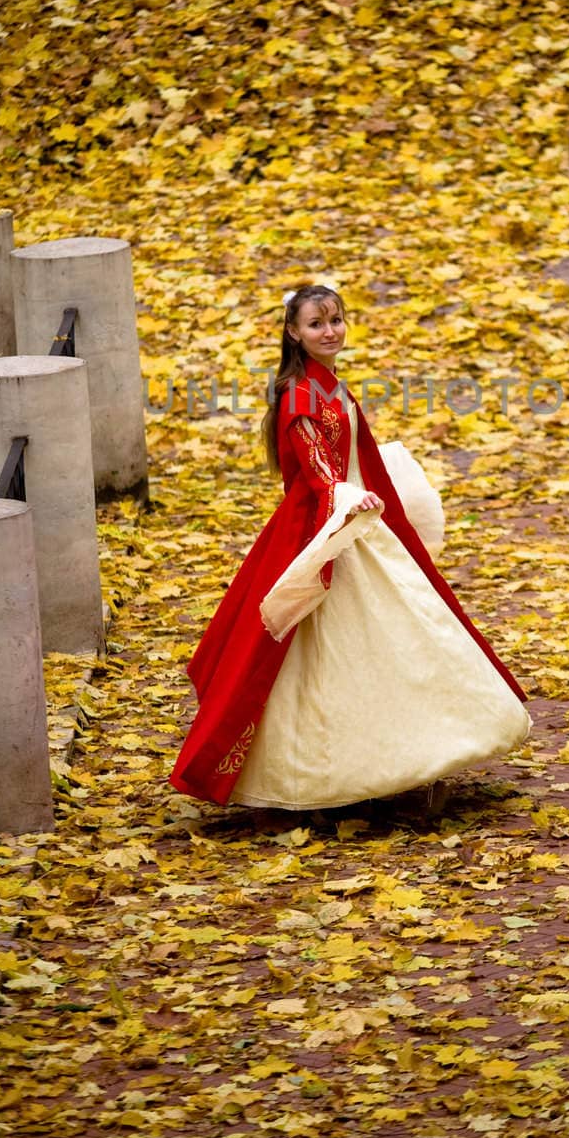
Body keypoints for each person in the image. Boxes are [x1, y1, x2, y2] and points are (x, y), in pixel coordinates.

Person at [168, 283, 531, 810]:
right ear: (294, 332)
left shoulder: (330, 384)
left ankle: (419, 754)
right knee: (331, 651)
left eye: (335, 320)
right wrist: (342, 498)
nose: (330, 331)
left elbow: (350, 454)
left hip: (354, 516)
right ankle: (330, 773)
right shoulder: (299, 394)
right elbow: (316, 465)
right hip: (330, 522)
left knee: (397, 632)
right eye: (316, 324)